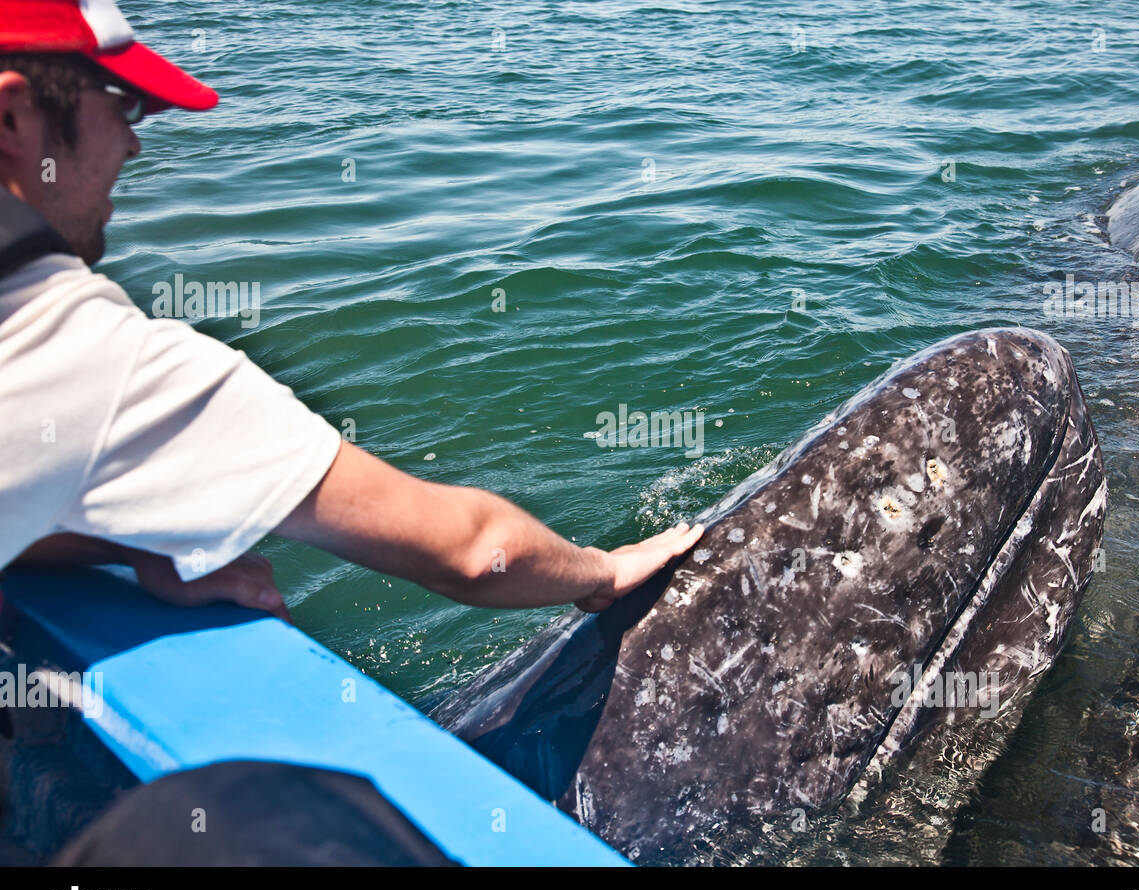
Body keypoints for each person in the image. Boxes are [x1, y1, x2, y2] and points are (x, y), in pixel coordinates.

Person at [0, 0, 703, 624]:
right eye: (123, 104)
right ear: (11, 116)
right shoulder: (83, 348)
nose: (134, 141)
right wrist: (604, 570)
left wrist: (114, 547)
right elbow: (471, 550)